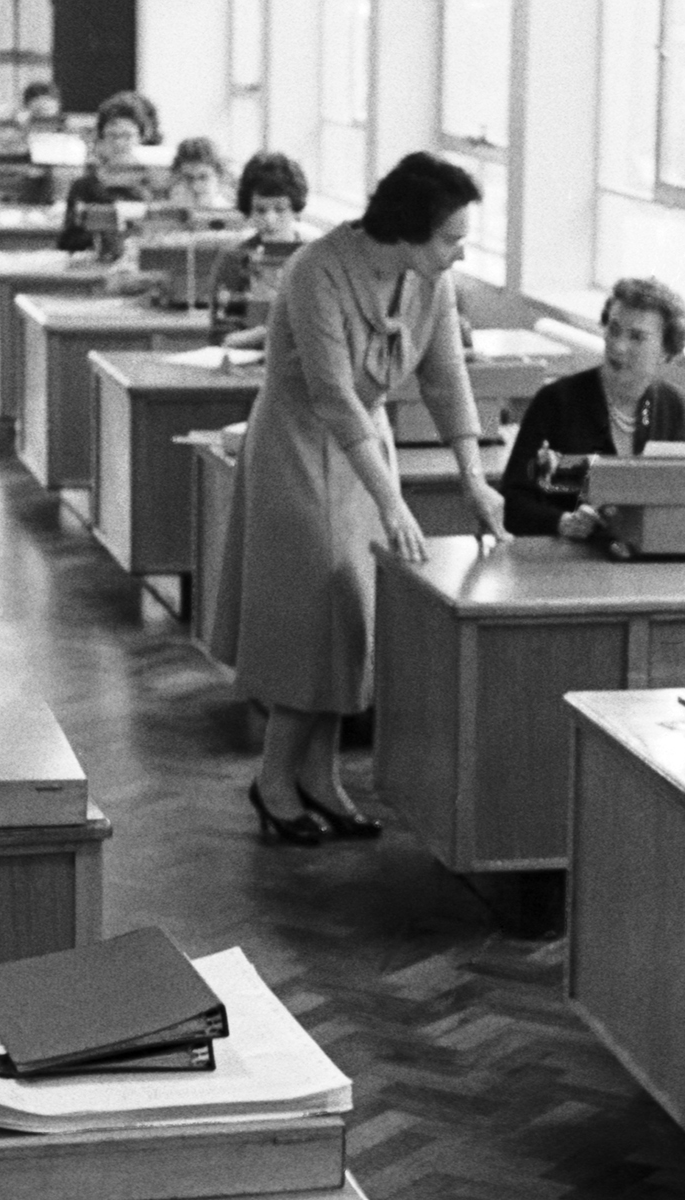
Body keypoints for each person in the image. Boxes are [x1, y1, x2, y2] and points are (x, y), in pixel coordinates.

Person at [211, 152, 513, 845]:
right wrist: (392, 503)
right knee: (311, 620)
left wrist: (472, 477)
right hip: (297, 444)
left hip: (364, 455)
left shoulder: (430, 278)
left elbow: (445, 378)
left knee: (354, 622)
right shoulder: (316, 270)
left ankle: (322, 777)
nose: (459, 251)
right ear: (408, 228)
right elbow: (333, 399)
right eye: (451, 238)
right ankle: (274, 781)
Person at [499, 277, 685, 538]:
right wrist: (562, 522)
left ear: (666, 350)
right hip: (561, 564)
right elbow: (512, 503)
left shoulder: (677, 411)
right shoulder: (556, 402)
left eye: (637, 337)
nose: (618, 346)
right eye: (614, 329)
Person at [209, 151, 311, 350]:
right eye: (260, 210)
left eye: (280, 209)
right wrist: (270, 331)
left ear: (295, 209)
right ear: (249, 209)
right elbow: (221, 335)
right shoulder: (234, 259)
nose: (270, 219)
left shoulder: (314, 258)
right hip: (247, 364)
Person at [56, 91, 163, 254]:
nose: (119, 143)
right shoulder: (83, 186)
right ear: (102, 138)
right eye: (112, 135)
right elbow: (67, 242)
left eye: (127, 136)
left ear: (142, 137)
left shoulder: (157, 183)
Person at [168, 137, 233, 210]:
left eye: (203, 177)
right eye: (188, 178)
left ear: (219, 177)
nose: (195, 186)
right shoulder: (168, 216)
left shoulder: (235, 217)